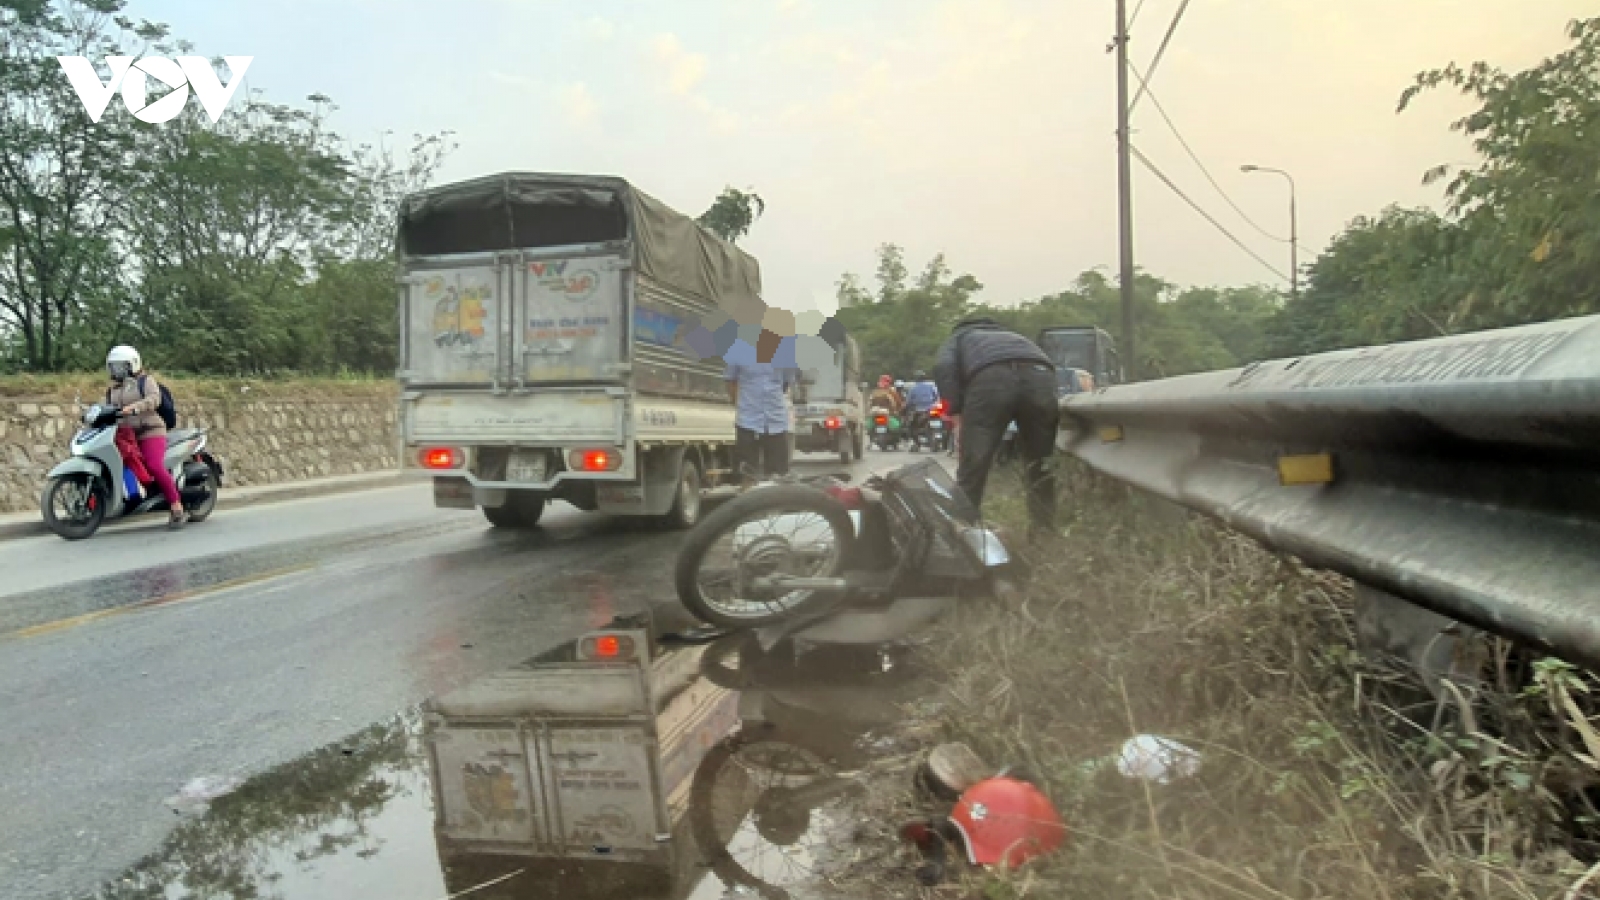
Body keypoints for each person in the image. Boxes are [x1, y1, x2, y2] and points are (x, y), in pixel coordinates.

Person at [932, 317, 1059, 537]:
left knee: (974, 462)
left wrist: (952, 411)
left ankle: (964, 533)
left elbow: (942, 368)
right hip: (1041, 377)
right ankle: (1044, 532)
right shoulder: (1015, 337)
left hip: (991, 379)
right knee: (1041, 463)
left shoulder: (958, 338)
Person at [105, 345, 186, 529]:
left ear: (132, 364)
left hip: (150, 431)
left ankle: (176, 506)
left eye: (121, 367)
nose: (117, 371)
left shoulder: (146, 381)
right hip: (126, 435)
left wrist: (135, 407)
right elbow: (108, 409)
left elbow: (154, 399)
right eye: (114, 367)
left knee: (154, 465)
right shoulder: (113, 390)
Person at [724, 326, 800, 481]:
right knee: (746, 474)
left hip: (776, 420)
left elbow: (786, 384)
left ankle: (776, 503)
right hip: (747, 420)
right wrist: (740, 405)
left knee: (779, 476)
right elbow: (731, 381)